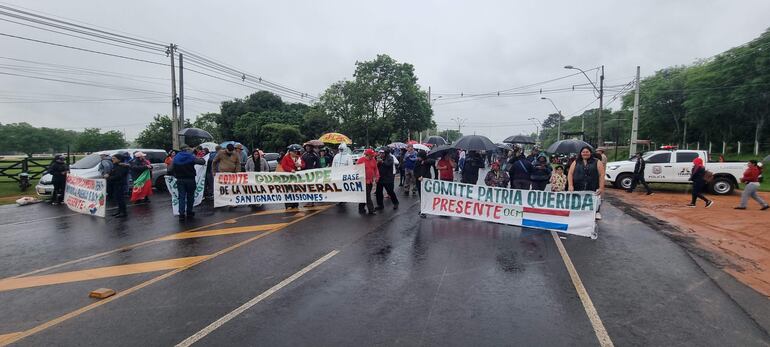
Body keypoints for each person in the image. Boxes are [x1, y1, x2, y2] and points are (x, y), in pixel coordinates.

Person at [568, 146, 606, 220]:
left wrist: (601, 188)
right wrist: (570, 185)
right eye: (583, 152)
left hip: (592, 186)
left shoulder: (597, 161)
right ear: (581, 153)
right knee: (578, 204)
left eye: (587, 152)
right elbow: (570, 174)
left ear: (590, 153)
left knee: (593, 203)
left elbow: (602, 175)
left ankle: (596, 212)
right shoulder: (576, 162)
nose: (585, 153)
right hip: (578, 187)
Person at [168, 146, 205, 221]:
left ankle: (181, 214)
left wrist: (175, 174)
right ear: (187, 150)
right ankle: (189, 212)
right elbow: (202, 162)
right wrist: (201, 158)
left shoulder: (176, 158)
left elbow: (169, 170)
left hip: (180, 180)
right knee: (190, 196)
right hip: (190, 179)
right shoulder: (191, 157)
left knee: (181, 197)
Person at [278, 144, 304, 209]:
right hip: (288, 178)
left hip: (296, 178)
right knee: (288, 190)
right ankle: (288, 204)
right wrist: (290, 169)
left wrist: (300, 165)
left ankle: (295, 204)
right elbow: (284, 166)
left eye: (296, 151)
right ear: (290, 152)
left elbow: (303, 164)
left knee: (295, 190)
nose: (296, 153)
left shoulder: (299, 157)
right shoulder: (286, 157)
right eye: (294, 151)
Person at [356, 148, 379, 215]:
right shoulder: (361, 160)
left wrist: (377, 176)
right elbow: (356, 169)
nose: (373, 156)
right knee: (367, 196)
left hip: (370, 181)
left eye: (373, 155)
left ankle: (361, 208)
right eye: (372, 155)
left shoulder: (373, 160)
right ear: (367, 155)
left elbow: (376, 169)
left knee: (365, 195)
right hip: (363, 181)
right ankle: (371, 210)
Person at [106, 153, 129, 218]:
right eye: (112, 158)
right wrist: (108, 174)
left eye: (114, 158)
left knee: (120, 199)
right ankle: (119, 211)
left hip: (120, 184)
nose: (112, 159)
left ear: (119, 159)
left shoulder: (122, 166)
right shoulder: (116, 165)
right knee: (117, 199)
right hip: (115, 184)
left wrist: (108, 178)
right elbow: (112, 172)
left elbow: (118, 176)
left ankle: (123, 212)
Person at [414, 151, 435, 218]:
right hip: (419, 181)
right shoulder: (417, 162)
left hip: (426, 181)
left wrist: (425, 162)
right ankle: (423, 209)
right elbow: (415, 171)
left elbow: (433, 161)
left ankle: (424, 209)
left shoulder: (427, 161)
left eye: (419, 157)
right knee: (421, 195)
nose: (418, 158)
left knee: (426, 196)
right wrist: (418, 177)